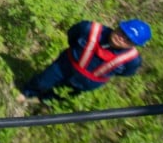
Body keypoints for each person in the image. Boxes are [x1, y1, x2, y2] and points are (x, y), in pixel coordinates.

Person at [20, 19, 151, 102]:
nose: (121, 38)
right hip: (65, 65)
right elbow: (72, 34)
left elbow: (126, 72)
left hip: (86, 83)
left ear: (134, 45)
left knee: (62, 95)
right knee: (43, 80)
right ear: (118, 27)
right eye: (122, 32)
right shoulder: (89, 29)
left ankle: (43, 100)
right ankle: (28, 93)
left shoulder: (132, 60)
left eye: (128, 39)